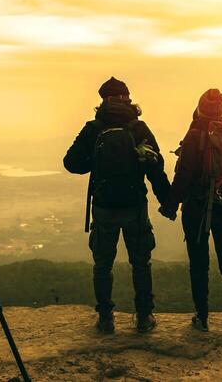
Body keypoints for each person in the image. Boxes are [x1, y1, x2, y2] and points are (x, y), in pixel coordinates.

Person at [62, 76, 173, 333]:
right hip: (134, 207)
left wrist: (96, 161)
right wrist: (167, 201)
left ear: (103, 100)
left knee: (103, 265)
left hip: (103, 207)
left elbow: (71, 163)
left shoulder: (93, 128)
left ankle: (105, 318)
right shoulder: (139, 129)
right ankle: (144, 317)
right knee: (141, 263)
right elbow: (156, 168)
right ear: (128, 99)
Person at [164, 88, 222, 334]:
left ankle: (202, 319)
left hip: (198, 209)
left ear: (199, 109)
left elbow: (184, 175)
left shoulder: (196, 135)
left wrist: (171, 205)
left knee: (199, 263)